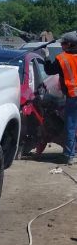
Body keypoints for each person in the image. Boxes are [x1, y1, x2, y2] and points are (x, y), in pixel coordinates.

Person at [43, 31, 77, 165]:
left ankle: (69, 155)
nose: (61, 45)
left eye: (63, 43)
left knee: (71, 125)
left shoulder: (62, 58)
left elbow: (49, 71)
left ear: (69, 44)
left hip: (73, 96)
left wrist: (46, 57)